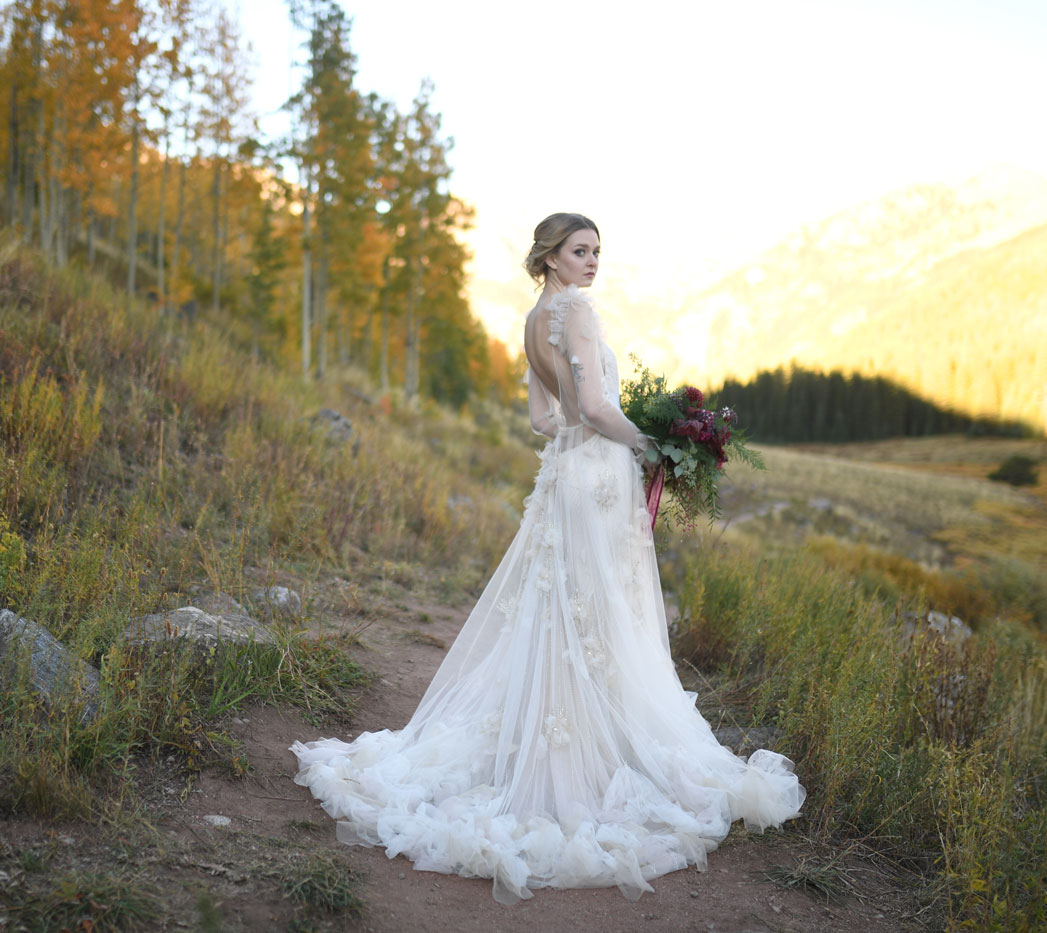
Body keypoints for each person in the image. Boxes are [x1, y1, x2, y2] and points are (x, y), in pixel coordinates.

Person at [290, 212, 805, 905]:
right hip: (595, 477)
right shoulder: (577, 311)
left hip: (562, 478)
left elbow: (543, 418)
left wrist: (603, 424)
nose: (593, 261)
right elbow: (592, 406)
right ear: (552, 257)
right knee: (604, 615)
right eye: (580, 250)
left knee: (567, 612)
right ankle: (593, 756)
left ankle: (568, 740)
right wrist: (648, 442)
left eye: (597, 251)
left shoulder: (536, 320)